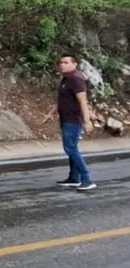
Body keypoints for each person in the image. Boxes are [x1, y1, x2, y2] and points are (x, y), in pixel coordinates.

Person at [43, 53, 95, 191]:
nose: (62, 64)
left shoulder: (76, 79)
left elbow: (83, 101)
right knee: (72, 149)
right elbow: (61, 100)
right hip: (65, 118)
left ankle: (87, 179)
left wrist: (87, 120)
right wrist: (50, 114)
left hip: (73, 120)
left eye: (66, 62)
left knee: (70, 149)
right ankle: (74, 178)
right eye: (61, 62)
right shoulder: (66, 79)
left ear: (74, 64)